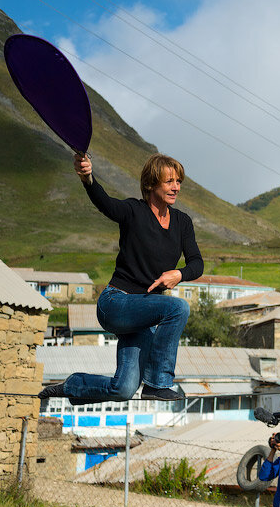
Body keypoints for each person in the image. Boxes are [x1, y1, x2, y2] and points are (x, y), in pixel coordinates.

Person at [38, 153, 202, 403]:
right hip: (116, 304)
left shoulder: (182, 222)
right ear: (151, 184)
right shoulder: (133, 211)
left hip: (142, 315)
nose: (176, 187)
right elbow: (105, 202)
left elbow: (197, 264)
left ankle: (72, 386)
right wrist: (88, 178)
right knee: (178, 307)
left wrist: (179, 273)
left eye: (178, 181)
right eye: (169, 181)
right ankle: (158, 383)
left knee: (124, 389)